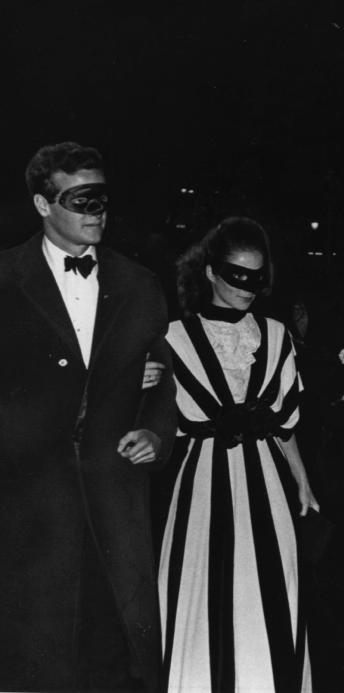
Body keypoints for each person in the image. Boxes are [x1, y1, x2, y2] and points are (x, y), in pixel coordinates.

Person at [0, 141, 177, 690]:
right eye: (81, 200)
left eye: (102, 200)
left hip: (113, 495)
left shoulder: (138, 283)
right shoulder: (6, 279)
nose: (96, 213)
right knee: (34, 649)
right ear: (42, 204)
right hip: (29, 501)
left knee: (116, 653)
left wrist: (155, 431)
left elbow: (165, 376)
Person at [157, 217, 319, 692]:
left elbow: (285, 422)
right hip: (201, 487)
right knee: (203, 592)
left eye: (257, 276)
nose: (249, 288)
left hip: (267, 488)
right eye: (236, 276)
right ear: (209, 272)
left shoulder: (275, 335)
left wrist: (303, 481)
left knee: (270, 594)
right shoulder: (172, 338)